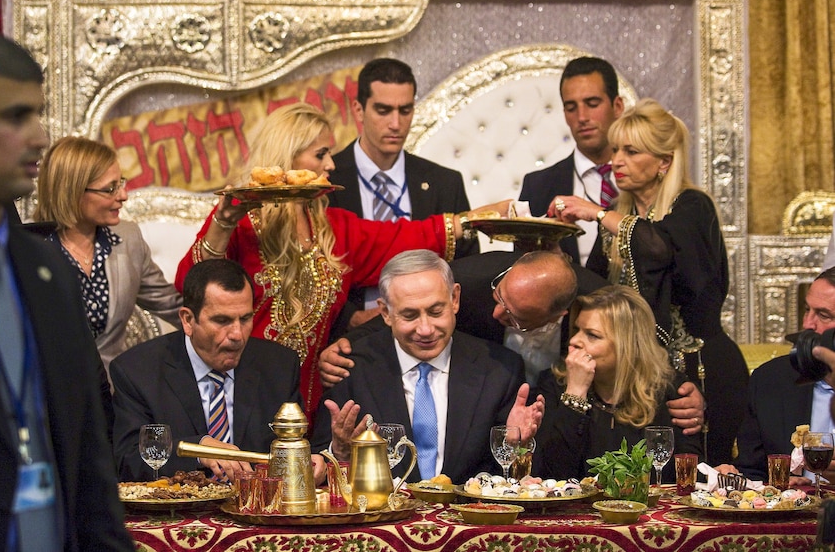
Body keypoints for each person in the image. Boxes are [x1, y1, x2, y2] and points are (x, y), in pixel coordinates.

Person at [174, 102, 509, 424]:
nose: (331, 165)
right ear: (288, 158)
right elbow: (191, 286)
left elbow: (407, 237)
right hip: (241, 393)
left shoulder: (335, 230)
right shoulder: (244, 223)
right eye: (321, 154)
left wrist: (476, 218)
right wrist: (223, 221)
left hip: (312, 398)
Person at [0, 27, 133, 551]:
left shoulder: (48, 273)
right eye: (15, 117)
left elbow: (89, 466)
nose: (39, 137)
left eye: (38, 114)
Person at [319, 249, 706, 436]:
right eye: (501, 297)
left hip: (559, 409)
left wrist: (684, 391)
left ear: (560, 315)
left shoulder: (592, 302)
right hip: (487, 393)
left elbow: (646, 345)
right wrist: (343, 344)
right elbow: (406, 310)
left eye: (517, 316)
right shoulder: (471, 283)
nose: (496, 315)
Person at [549, 98, 746, 465]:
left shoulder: (692, 207)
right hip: (638, 376)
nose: (616, 161)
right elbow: (596, 293)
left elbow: (657, 247)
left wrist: (596, 213)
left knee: (697, 487)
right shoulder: (620, 217)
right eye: (616, 150)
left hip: (699, 368)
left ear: (664, 162)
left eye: (631, 151)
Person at [311, 250, 544, 484]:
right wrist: (340, 452)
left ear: (455, 299)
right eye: (410, 315)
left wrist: (517, 446)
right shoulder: (350, 367)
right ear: (386, 312)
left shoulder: (500, 369)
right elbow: (319, 465)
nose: (425, 329)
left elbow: (512, 478)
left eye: (435, 312)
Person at [111, 258, 325, 483]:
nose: (237, 335)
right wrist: (197, 450)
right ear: (188, 320)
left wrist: (314, 461)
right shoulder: (138, 372)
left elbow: (293, 450)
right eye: (222, 320)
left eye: (245, 319)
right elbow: (128, 461)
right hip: (178, 513)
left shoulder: (278, 366)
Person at [327, 58, 478, 333]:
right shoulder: (328, 180)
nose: (395, 124)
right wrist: (349, 318)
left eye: (405, 110)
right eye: (383, 111)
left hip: (428, 331)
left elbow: (466, 270)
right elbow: (313, 269)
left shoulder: (445, 183)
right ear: (359, 110)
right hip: (349, 335)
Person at [34, 136, 182, 380]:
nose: (123, 195)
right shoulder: (30, 247)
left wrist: (220, 322)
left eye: (120, 183)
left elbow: (173, 305)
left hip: (111, 395)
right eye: (110, 188)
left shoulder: (128, 238)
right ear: (72, 191)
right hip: (49, 396)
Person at [532, 285, 703, 482]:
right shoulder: (555, 384)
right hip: (577, 511)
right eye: (577, 329)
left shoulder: (669, 390)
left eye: (592, 335)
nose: (575, 340)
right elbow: (550, 474)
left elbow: (689, 473)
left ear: (628, 345)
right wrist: (575, 393)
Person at [717, 268, 835, 484]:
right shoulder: (770, 380)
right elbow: (753, 472)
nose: (808, 324)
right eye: (807, 310)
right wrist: (736, 480)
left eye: (823, 315)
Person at [518, 56, 624, 265]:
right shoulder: (538, 186)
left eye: (592, 103)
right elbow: (524, 269)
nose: (582, 117)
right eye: (571, 107)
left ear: (618, 106)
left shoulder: (647, 179)